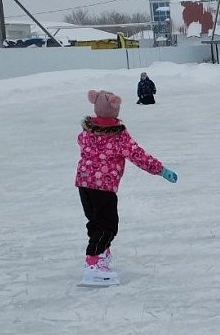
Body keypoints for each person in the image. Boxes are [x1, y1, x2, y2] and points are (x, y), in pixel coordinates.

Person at [75, 89, 178, 286]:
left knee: (96, 221)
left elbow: (80, 141)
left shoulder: (86, 132)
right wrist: (161, 170)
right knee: (107, 224)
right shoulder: (118, 136)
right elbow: (138, 155)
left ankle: (101, 253)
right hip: (103, 187)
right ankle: (93, 264)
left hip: (84, 183)